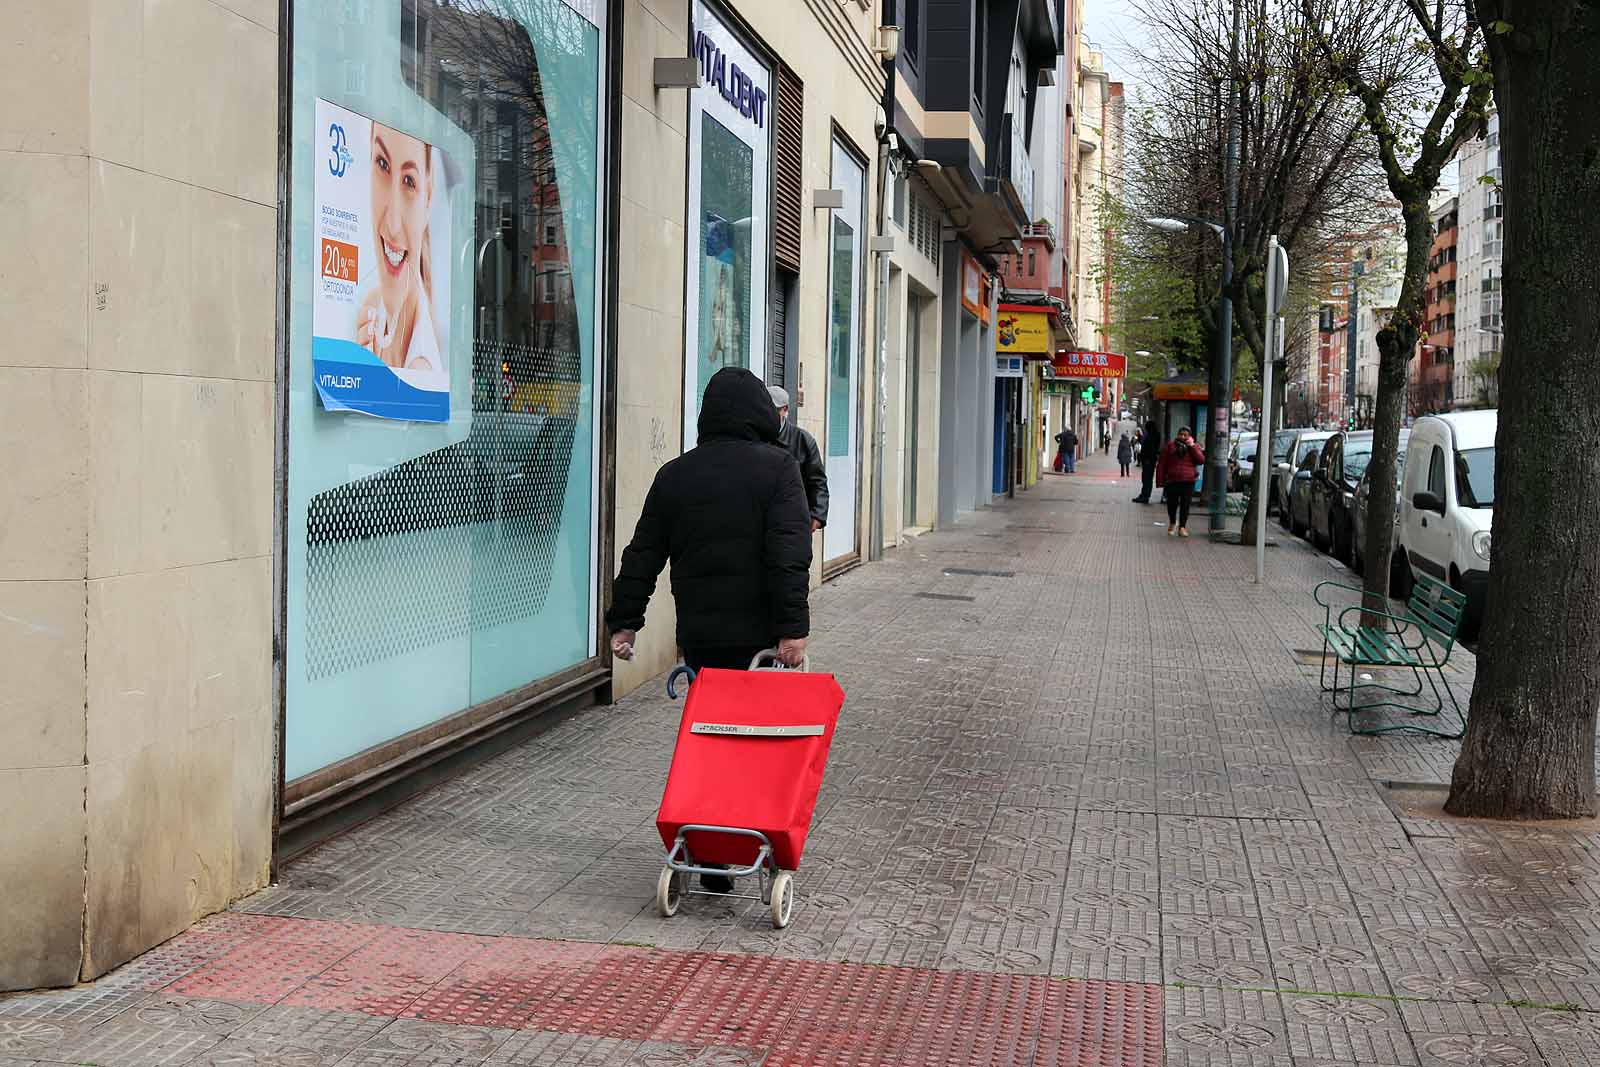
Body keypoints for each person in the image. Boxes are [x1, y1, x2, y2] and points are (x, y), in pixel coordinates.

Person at [357, 122, 441, 371]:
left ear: (428, 198)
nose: (393, 225)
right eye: (382, 164)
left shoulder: (420, 367)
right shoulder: (371, 305)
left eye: (409, 181)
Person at [768, 386, 828, 532]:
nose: (770, 414)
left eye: (775, 410)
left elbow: (818, 482)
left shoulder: (803, 441)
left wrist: (817, 517)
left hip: (794, 524)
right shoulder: (756, 437)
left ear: (785, 410)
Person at [1156, 426, 1205, 537]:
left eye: (1185, 435)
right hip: (1172, 480)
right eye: (1180, 434)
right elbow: (1162, 463)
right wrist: (1160, 480)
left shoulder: (1194, 446)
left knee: (1185, 505)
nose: (1182, 437)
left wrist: (1192, 446)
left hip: (1188, 481)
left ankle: (1182, 527)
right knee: (1171, 504)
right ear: (1177, 435)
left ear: (1189, 436)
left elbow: (1201, 460)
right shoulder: (1170, 446)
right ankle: (1173, 522)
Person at [1132, 420, 1161, 503]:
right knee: (1146, 478)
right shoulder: (1151, 434)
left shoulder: (1152, 436)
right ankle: (1144, 495)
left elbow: (1151, 449)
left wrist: (1147, 459)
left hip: (1149, 460)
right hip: (1147, 460)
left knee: (1147, 479)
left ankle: (1145, 496)